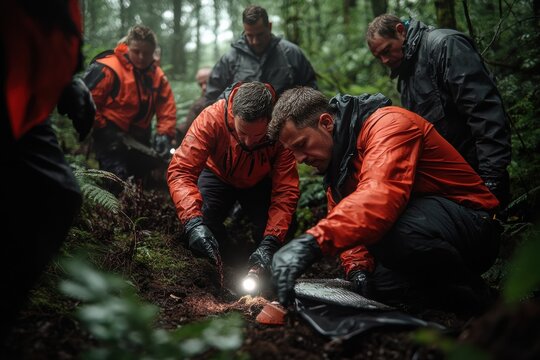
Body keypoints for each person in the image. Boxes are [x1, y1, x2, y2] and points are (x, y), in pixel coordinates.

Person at [268, 87, 501, 314]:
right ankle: (454, 303)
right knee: (378, 286)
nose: (299, 159)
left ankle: (483, 299)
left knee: (391, 235)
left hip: (474, 224)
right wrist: (358, 270)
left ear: (326, 123)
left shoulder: (388, 124)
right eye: (292, 151)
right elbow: (348, 219)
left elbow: (378, 197)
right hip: (429, 229)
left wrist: (310, 245)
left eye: (301, 145)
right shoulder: (338, 168)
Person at [1, 0, 95, 345]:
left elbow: (49, 25)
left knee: (57, 195)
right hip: (14, 91)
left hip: (24, 104)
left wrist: (66, 80)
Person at [366, 14, 511, 209]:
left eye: (386, 50)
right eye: (378, 57)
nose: (384, 60)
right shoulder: (406, 75)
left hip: (479, 175)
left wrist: (492, 176)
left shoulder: (445, 45)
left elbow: (483, 111)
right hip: (451, 183)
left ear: (400, 31)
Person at [167, 82, 299, 276]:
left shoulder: (281, 128)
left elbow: (286, 191)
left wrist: (271, 242)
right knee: (202, 224)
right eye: (242, 132)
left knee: (283, 229)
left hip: (260, 182)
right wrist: (193, 223)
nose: (248, 142)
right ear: (233, 114)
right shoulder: (211, 118)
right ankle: (226, 263)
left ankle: (266, 268)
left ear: (270, 122)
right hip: (217, 175)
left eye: (258, 135)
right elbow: (181, 170)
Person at [83, 25, 177, 181]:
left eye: (146, 53)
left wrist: (164, 135)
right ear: (128, 47)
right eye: (136, 52)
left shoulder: (157, 76)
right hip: (109, 132)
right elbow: (88, 101)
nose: (141, 57)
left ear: (153, 52)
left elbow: (166, 109)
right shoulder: (108, 68)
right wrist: (102, 128)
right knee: (116, 179)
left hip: (140, 134)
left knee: (143, 179)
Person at [205, 5, 318, 104]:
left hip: (284, 124)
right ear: (244, 29)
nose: (255, 41)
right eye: (249, 35)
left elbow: (311, 90)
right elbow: (212, 97)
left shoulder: (291, 53)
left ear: (269, 26)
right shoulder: (230, 59)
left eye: (260, 35)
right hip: (241, 126)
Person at [177, 67, 212, 143]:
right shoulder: (199, 103)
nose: (204, 87)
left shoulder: (222, 99)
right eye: (200, 84)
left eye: (207, 82)